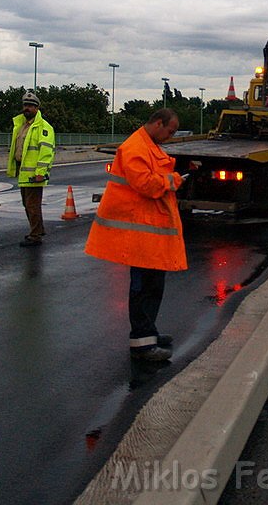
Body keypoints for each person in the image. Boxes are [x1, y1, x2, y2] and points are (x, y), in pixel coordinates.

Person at [85, 108, 187, 361]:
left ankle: (148, 334)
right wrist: (174, 180)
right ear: (158, 124)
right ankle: (142, 345)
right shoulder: (135, 148)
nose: (170, 137)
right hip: (139, 236)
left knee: (153, 287)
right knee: (143, 289)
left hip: (148, 234)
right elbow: (147, 185)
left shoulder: (146, 145)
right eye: (170, 131)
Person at [7, 90, 56, 247]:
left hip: (34, 174)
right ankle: (38, 230)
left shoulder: (43, 127)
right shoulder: (21, 125)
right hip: (24, 172)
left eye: (30, 106)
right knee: (27, 204)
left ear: (37, 108)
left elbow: (46, 151)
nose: (27, 108)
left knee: (32, 205)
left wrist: (41, 173)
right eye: (25, 105)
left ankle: (35, 236)